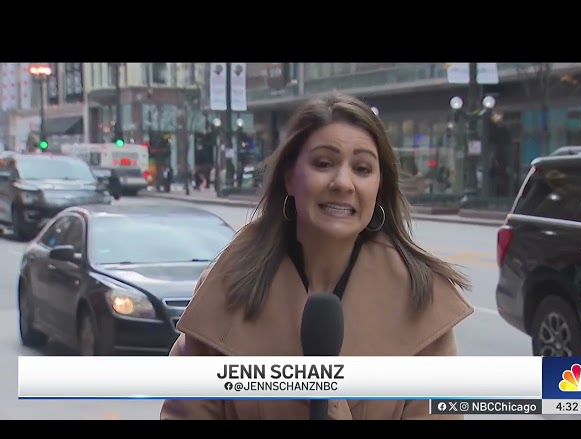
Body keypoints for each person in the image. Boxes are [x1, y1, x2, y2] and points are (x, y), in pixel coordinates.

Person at [160, 92, 474, 420]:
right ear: (289, 177)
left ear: (379, 186)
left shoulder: (420, 297)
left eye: (362, 168)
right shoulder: (227, 286)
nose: (342, 183)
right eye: (323, 163)